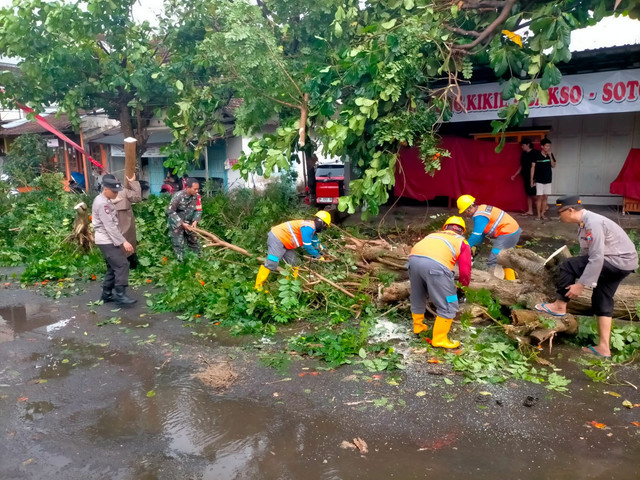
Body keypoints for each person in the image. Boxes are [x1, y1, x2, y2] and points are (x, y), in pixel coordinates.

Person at [534, 195, 638, 359]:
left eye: (560, 212)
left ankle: (559, 306)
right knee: (601, 299)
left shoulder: (593, 223)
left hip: (617, 261)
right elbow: (586, 255)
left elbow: (596, 258)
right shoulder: (584, 223)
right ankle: (604, 347)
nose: (559, 217)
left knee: (568, 265)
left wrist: (581, 284)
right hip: (623, 264)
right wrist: (583, 276)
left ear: (570, 210)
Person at [408, 216, 471, 348]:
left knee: (418, 294)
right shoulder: (462, 242)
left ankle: (418, 326)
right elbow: (465, 271)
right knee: (450, 302)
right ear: (462, 230)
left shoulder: (432, 235)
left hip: (413, 261)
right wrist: (463, 288)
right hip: (436, 267)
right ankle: (440, 339)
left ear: (445, 227)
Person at [255, 211, 331, 291]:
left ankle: (290, 286)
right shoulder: (308, 228)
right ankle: (258, 288)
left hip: (287, 243)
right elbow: (307, 246)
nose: (323, 229)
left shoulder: (312, 230)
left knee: (294, 264)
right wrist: (318, 256)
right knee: (272, 262)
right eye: (325, 227)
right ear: (322, 223)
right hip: (277, 238)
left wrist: (325, 253)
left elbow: (317, 244)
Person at [92, 175, 137, 307]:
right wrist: (124, 242)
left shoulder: (105, 199)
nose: (116, 194)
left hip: (108, 239)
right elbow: (109, 226)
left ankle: (106, 294)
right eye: (114, 191)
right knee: (122, 265)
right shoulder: (102, 203)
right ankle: (120, 295)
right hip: (106, 240)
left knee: (113, 267)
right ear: (105, 189)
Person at [456, 194, 521, 277]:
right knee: (505, 259)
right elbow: (482, 233)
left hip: (508, 233)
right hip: (511, 231)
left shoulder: (479, 216)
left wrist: (464, 248)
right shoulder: (482, 208)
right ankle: (511, 280)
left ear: (468, 209)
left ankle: (493, 282)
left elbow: (476, 235)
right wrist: (476, 245)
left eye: (465, 212)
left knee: (493, 260)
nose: (465, 214)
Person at [110, 173, 142, 269]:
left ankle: (129, 266)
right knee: (123, 247)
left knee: (126, 246)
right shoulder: (122, 192)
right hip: (118, 227)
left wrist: (132, 182)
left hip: (122, 227)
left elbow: (137, 197)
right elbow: (138, 197)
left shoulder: (123, 192)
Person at [166, 178, 202, 261]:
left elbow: (198, 210)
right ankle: (180, 265)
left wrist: (195, 221)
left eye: (198, 189)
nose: (197, 191)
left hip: (189, 223)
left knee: (195, 243)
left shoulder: (197, 196)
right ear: (188, 187)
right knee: (179, 245)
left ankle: (198, 262)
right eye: (195, 189)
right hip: (177, 224)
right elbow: (170, 211)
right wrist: (182, 223)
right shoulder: (178, 196)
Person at [511, 138, 542, 216]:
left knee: (535, 194)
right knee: (528, 194)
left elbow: (540, 165)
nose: (522, 147)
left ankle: (543, 207)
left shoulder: (536, 153)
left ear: (528, 144)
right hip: (525, 176)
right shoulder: (524, 154)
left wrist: (538, 176)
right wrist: (515, 175)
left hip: (534, 177)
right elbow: (522, 166)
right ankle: (530, 210)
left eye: (523, 145)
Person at [531, 138, 556, 221]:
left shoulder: (550, 154)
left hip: (548, 179)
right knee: (539, 198)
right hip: (539, 180)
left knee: (546, 197)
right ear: (542, 146)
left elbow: (553, 165)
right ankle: (538, 215)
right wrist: (532, 179)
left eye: (549, 146)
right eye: (546, 146)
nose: (548, 147)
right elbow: (533, 167)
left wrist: (550, 156)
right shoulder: (537, 155)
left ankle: (543, 214)